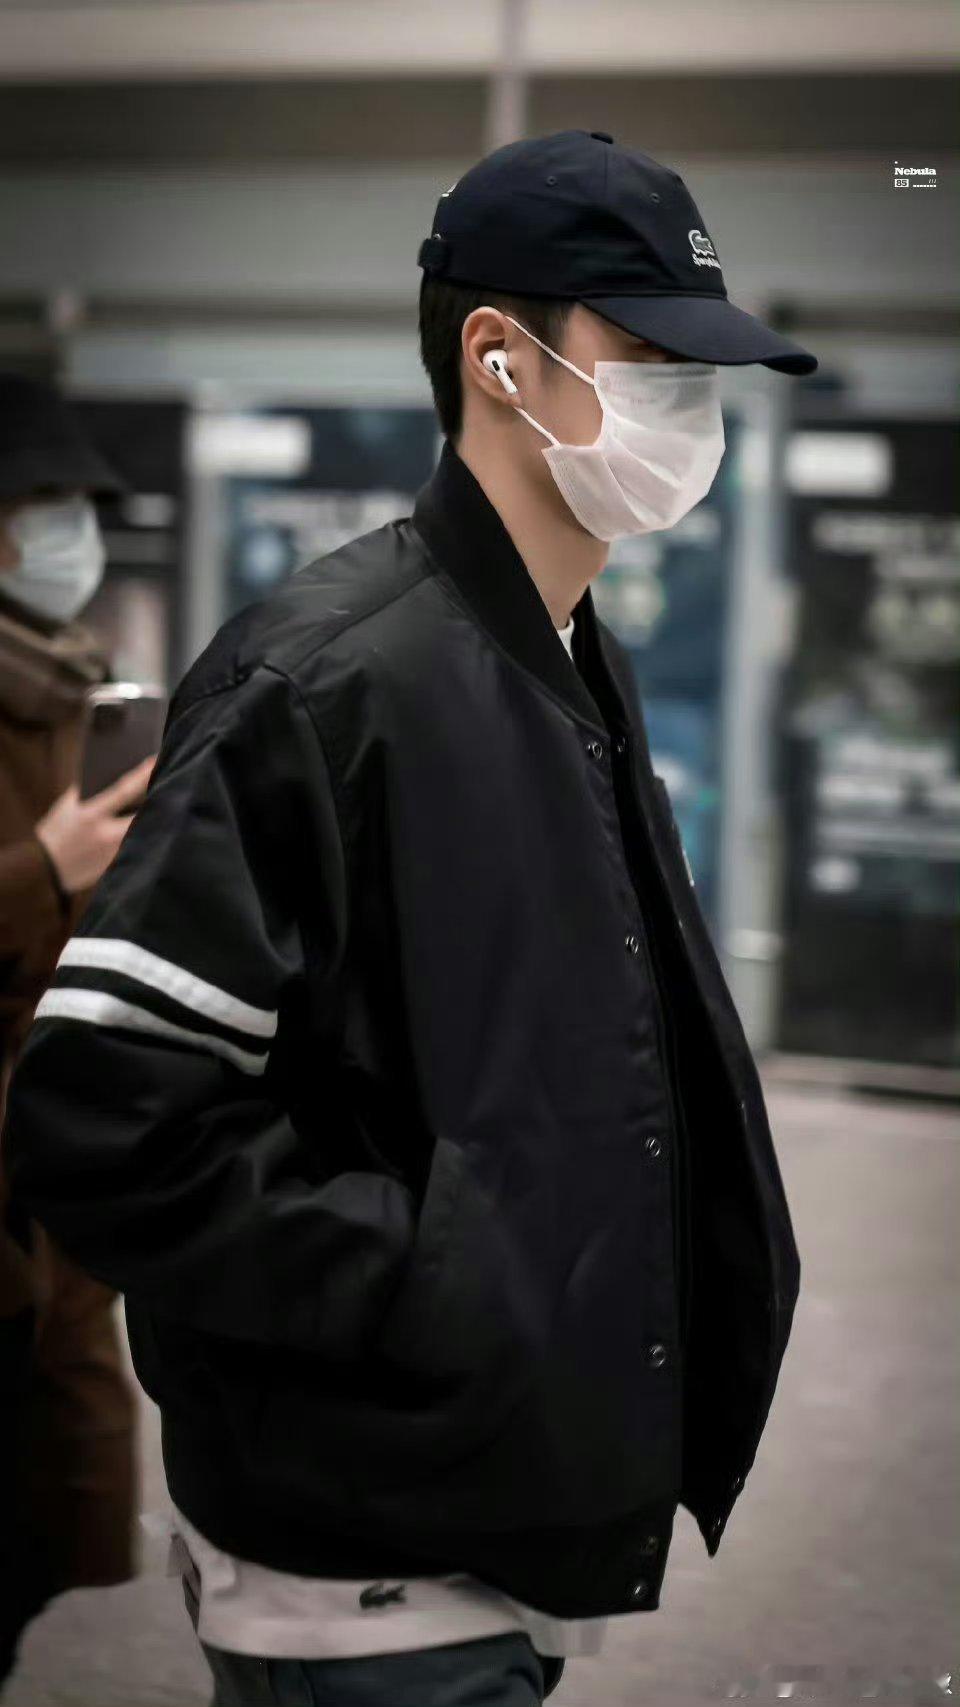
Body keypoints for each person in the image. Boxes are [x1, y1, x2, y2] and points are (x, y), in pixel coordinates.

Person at [2, 132, 816, 1707]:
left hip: (499, 1521)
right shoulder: (326, 678)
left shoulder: (565, 653)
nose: (691, 410)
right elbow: (106, 1127)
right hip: (366, 1576)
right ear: (499, 360)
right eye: (653, 360)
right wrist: (446, 1278)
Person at [0, 373, 156, 1688]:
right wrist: (38, 872)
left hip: (47, 1187)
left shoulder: (73, 686)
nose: (72, 537)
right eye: (43, 505)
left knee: (32, 1546)